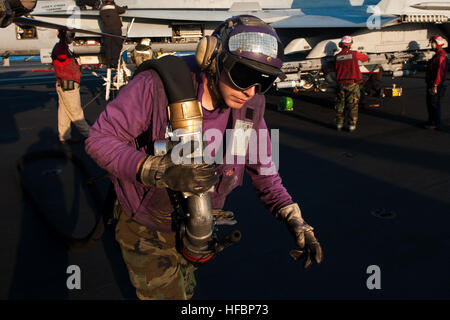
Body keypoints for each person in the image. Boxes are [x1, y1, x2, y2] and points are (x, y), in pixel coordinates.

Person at [85, 15, 323, 300]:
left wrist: (294, 219)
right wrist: (156, 169)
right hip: (146, 223)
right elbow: (99, 139)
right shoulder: (157, 86)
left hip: (198, 222)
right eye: (244, 75)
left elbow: (265, 172)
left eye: (264, 81)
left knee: (186, 290)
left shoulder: (251, 108)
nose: (250, 91)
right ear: (212, 57)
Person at [51, 29, 90, 144]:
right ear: (63, 36)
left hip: (65, 85)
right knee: (76, 113)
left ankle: (64, 136)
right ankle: (90, 135)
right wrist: (63, 38)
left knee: (64, 113)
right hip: (68, 87)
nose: (73, 38)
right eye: (71, 35)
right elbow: (62, 57)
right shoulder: (61, 48)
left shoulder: (64, 49)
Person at [334, 35, 369, 132]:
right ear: (350, 45)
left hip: (340, 84)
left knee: (340, 105)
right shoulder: (354, 54)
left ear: (341, 45)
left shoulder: (337, 56)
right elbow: (365, 58)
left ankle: (339, 124)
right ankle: (351, 126)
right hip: (352, 84)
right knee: (352, 105)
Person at [424, 35, 448, 130]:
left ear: (438, 43)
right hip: (433, 83)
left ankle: (435, 123)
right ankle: (432, 121)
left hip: (435, 84)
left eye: (433, 43)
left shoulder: (440, 57)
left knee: (434, 104)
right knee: (431, 103)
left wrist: (435, 85)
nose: (431, 45)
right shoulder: (438, 55)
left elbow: (439, 72)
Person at [99, 0, 126, 70]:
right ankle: (114, 63)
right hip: (116, 29)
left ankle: (109, 63)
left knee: (108, 47)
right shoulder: (114, 7)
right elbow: (123, 10)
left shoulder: (101, 9)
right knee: (116, 46)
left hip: (106, 30)